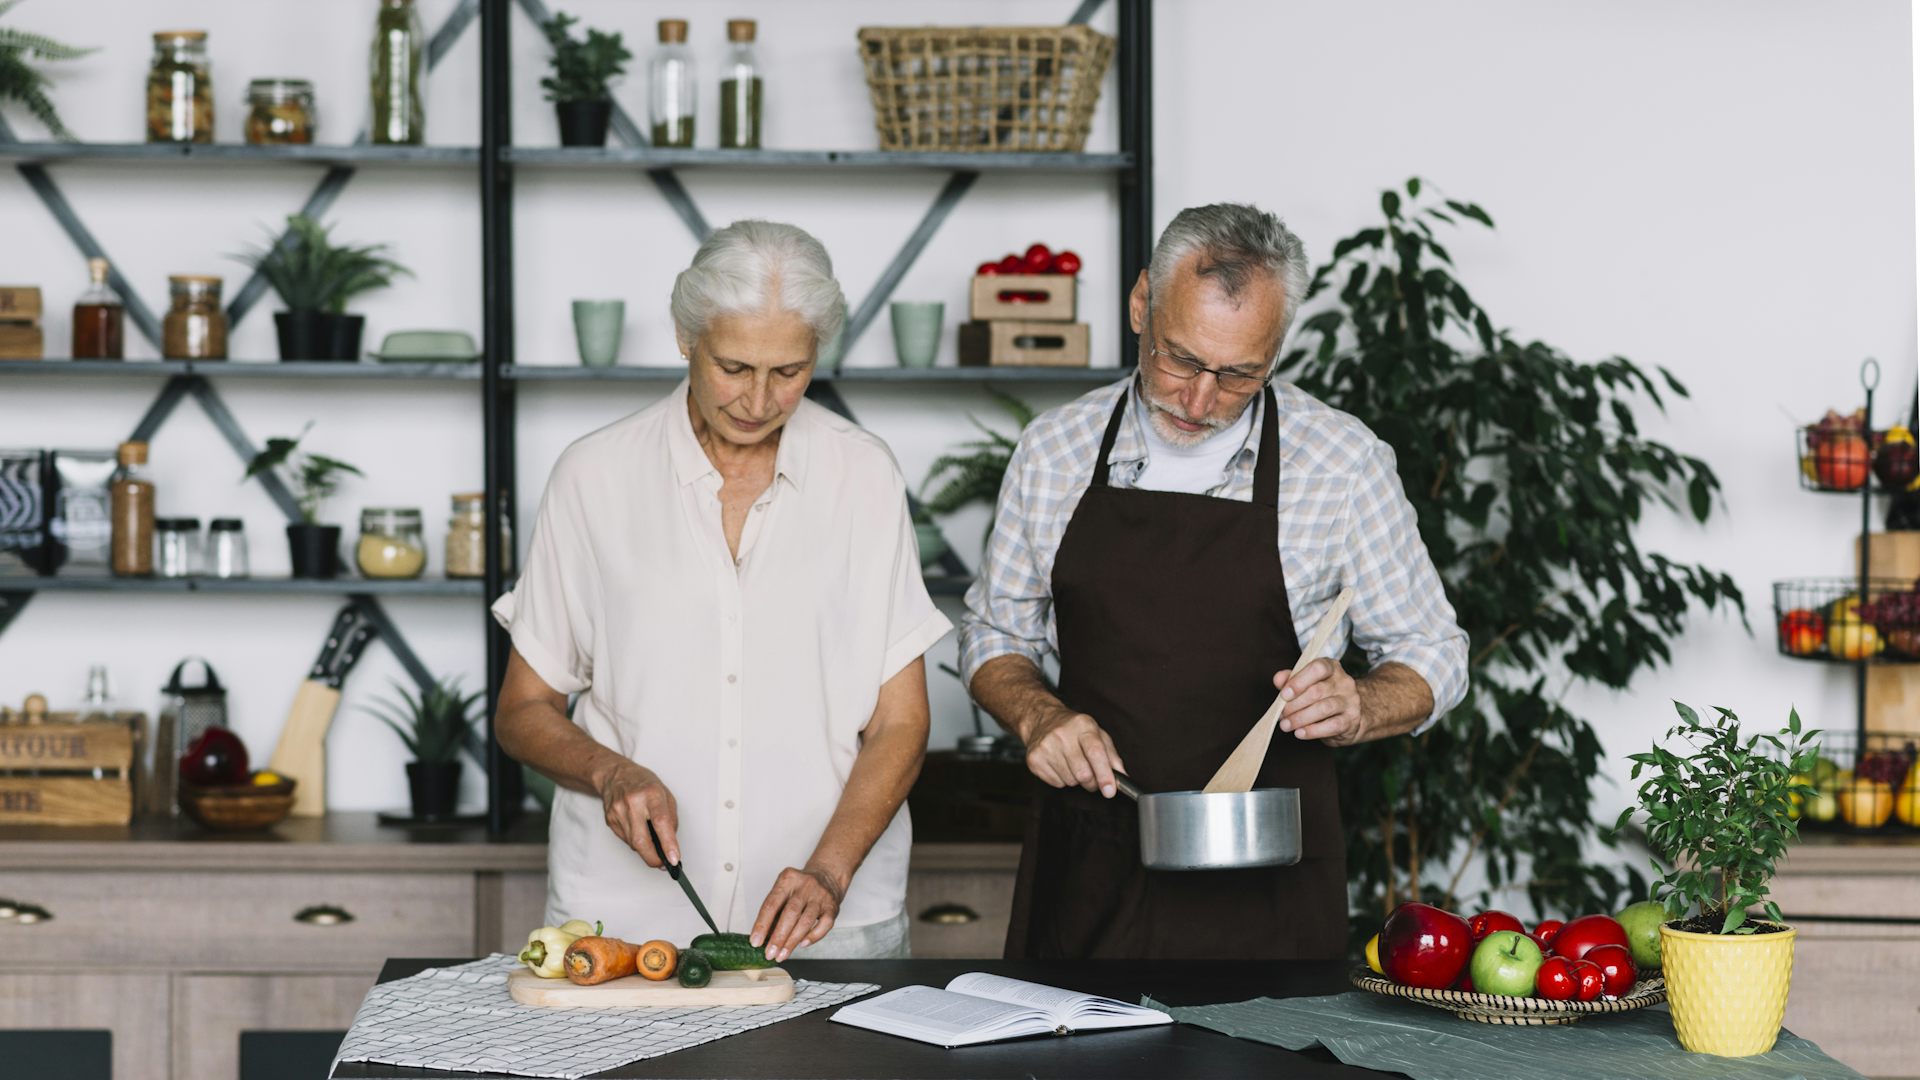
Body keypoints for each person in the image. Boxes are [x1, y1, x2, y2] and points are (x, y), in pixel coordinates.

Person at [960, 203, 1469, 960]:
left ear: (1278, 347)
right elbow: (996, 633)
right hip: (1093, 867)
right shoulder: (1054, 449)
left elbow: (1435, 653)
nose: (1199, 401)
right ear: (1141, 304)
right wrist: (1037, 715)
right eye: (1179, 359)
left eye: (1239, 375)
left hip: (1270, 883)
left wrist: (1361, 704)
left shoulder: (1340, 461)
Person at [493, 220, 951, 961]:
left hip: (829, 923)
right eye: (734, 367)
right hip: (626, 922)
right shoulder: (594, 477)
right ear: (685, 337)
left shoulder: (864, 475)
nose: (761, 400)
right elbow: (522, 711)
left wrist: (829, 873)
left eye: (790, 371)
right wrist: (610, 771)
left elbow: (900, 722)